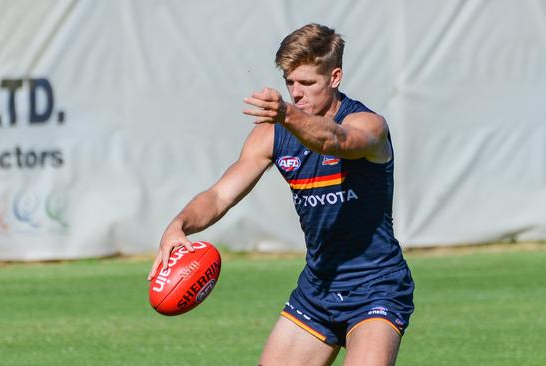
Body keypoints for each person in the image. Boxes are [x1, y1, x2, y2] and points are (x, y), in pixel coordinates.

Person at [147, 23, 414, 366]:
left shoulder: (368, 125)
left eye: (307, 83)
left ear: (334, 77)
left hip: (376, 287)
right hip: (317, 290)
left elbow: (337, 142)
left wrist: (287, 114)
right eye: (290, 82)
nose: (297, 93)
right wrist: (178, 226)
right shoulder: (272, 135)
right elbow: (219, 196)